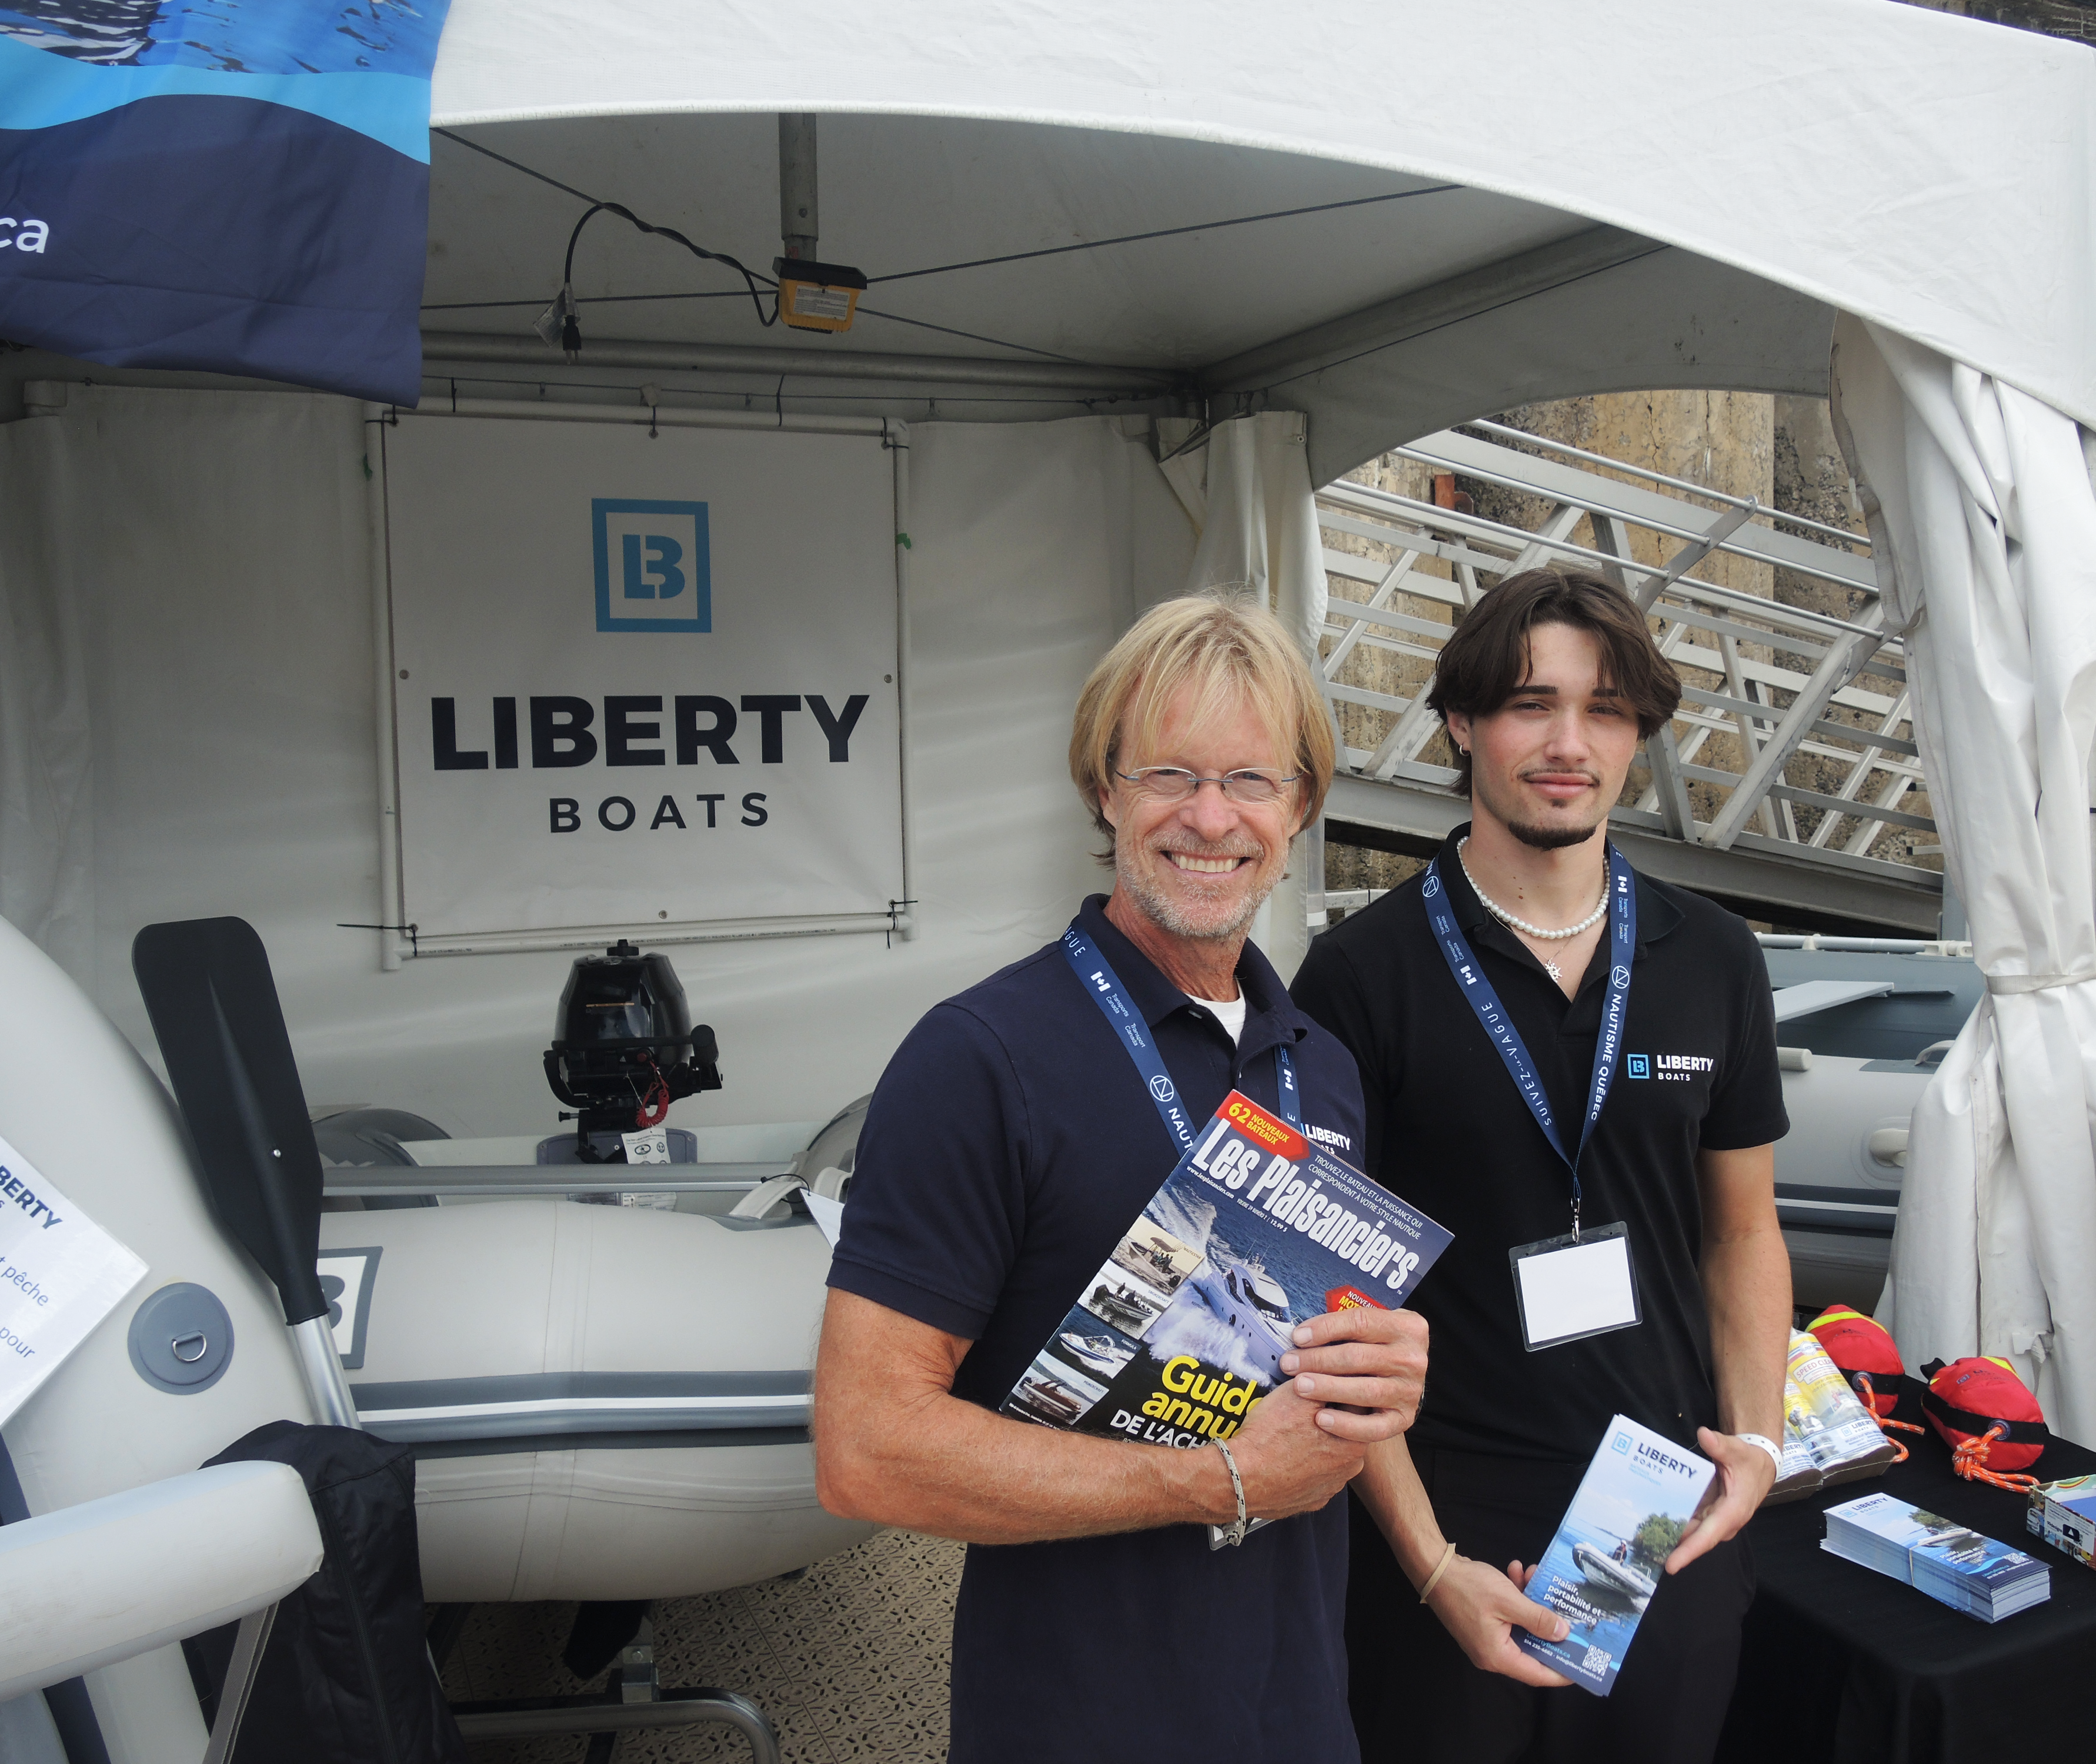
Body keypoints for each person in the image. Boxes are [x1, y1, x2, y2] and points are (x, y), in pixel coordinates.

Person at [814, 594, 1430, 1763]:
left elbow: (1319, 1388)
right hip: (1076, 1720)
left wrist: (1383, 1373)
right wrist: (1223, 1481)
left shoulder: (1323, 1070)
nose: (1212, 817)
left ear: (1301, 806)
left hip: (1297, 1711)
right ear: (1105, 790)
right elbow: (865, 1449)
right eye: (1169, 773)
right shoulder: (982, 1057)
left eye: (1254, 778)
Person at [1290, 568, 1790, 1764]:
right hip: (1442, 1507)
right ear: (1463, 723)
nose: (1571, 743)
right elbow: (1327, 1299)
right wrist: (1426, 1566)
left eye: (1606, 710)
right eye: (1530, 705)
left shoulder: (1712, 958)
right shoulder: (1362, 978)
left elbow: (1742, 1233)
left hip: (1654, 1503)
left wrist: (1759, 1444)